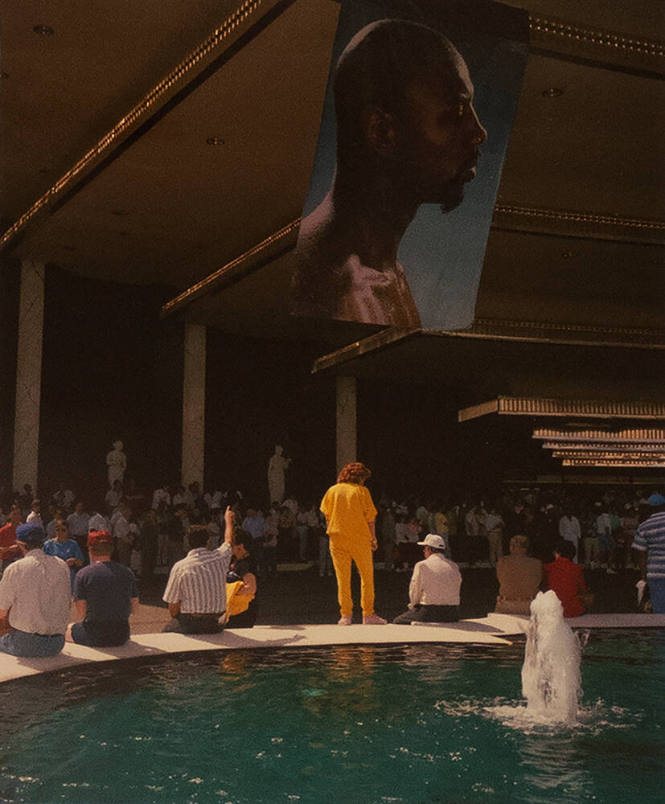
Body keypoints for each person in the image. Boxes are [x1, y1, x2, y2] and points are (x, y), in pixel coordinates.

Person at [290, 18, 487, 327]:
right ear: (382, 132)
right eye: (456, 113)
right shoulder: (330, 286)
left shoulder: (383, 273)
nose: (479, 133)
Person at [320, 461, 386, 625]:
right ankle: (368, 614)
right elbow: (370, 518)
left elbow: (327, 516)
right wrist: (373, 538)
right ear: (360, 478)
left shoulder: (332, 491)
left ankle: (346, 615)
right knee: (366, 577)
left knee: (342, 578)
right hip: (359, 538)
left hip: (337, 538)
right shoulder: (362, 491)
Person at [0, 523, 71, 657]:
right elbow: (67, 604)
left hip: (26, 643)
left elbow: (1, 611)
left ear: (19, 544)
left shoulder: (16, 568)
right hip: (57, 643)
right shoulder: (62, 565)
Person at [161, 507, 235, 634]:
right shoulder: (220, 558)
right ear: (207, 542)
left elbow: (173, 607)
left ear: (188, 543)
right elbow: (229, 541)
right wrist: (228, 520)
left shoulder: (180, 567)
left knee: (166, 633)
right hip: (215, 622)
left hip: (191, 622)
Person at [66, 530, 138, 647]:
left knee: (68, 628)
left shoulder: (83, 574)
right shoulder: (127, 572)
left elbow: (81, 614)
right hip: (121, 634)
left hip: (94, 634)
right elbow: (134, 607)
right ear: (112, 549)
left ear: (90, 549)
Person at [393, 533, 461, 624]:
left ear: (429, 549)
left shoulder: (422, 565)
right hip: (452, 613)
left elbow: (415, 590)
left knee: (398, 620)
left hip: (430, 611)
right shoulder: (454, 566)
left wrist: (413, 606)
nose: (424, 551)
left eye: (425, 548)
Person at [494, 535, 543, 615]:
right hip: (529, 605)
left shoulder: (502, 562)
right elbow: (538, 581)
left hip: (506, 605)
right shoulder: (537, 563)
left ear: (512, 547)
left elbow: (500, 579)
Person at [633, 493, 665, 613]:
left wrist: (643, 576)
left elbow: (641, 554)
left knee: (660, 610)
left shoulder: (644, 526)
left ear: (650, 508)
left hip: (655, 573)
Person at [544, 539, 588, 618]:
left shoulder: (548, 567)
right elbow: (582, 590)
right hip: (573, 610)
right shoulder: (577, 568)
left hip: (552, 610)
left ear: (557, 553)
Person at [225, 530, 258, 628]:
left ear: (240, 546)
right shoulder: (234, 561)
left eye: (231, 545)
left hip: (242, 613)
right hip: (233, 611)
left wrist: (230, 591)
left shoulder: (246, 564)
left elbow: (251, 588)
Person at [43, 518, 84, 590]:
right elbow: (43, 562)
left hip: (68, 576)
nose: (60, 532)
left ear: (68, 531)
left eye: (63, 530)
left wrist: (74, 560)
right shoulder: (48, 544)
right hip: (52, 576)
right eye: (57, 530)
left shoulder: (73, 544)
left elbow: (80, 562)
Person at [0, 503, 22, 575]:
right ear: (10, 515)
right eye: (14, 514)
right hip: (7, 562)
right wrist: (9, 548)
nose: (17, 517)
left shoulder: (24, 530)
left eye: (19, 514)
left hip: (21, 561)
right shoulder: (3, 531)